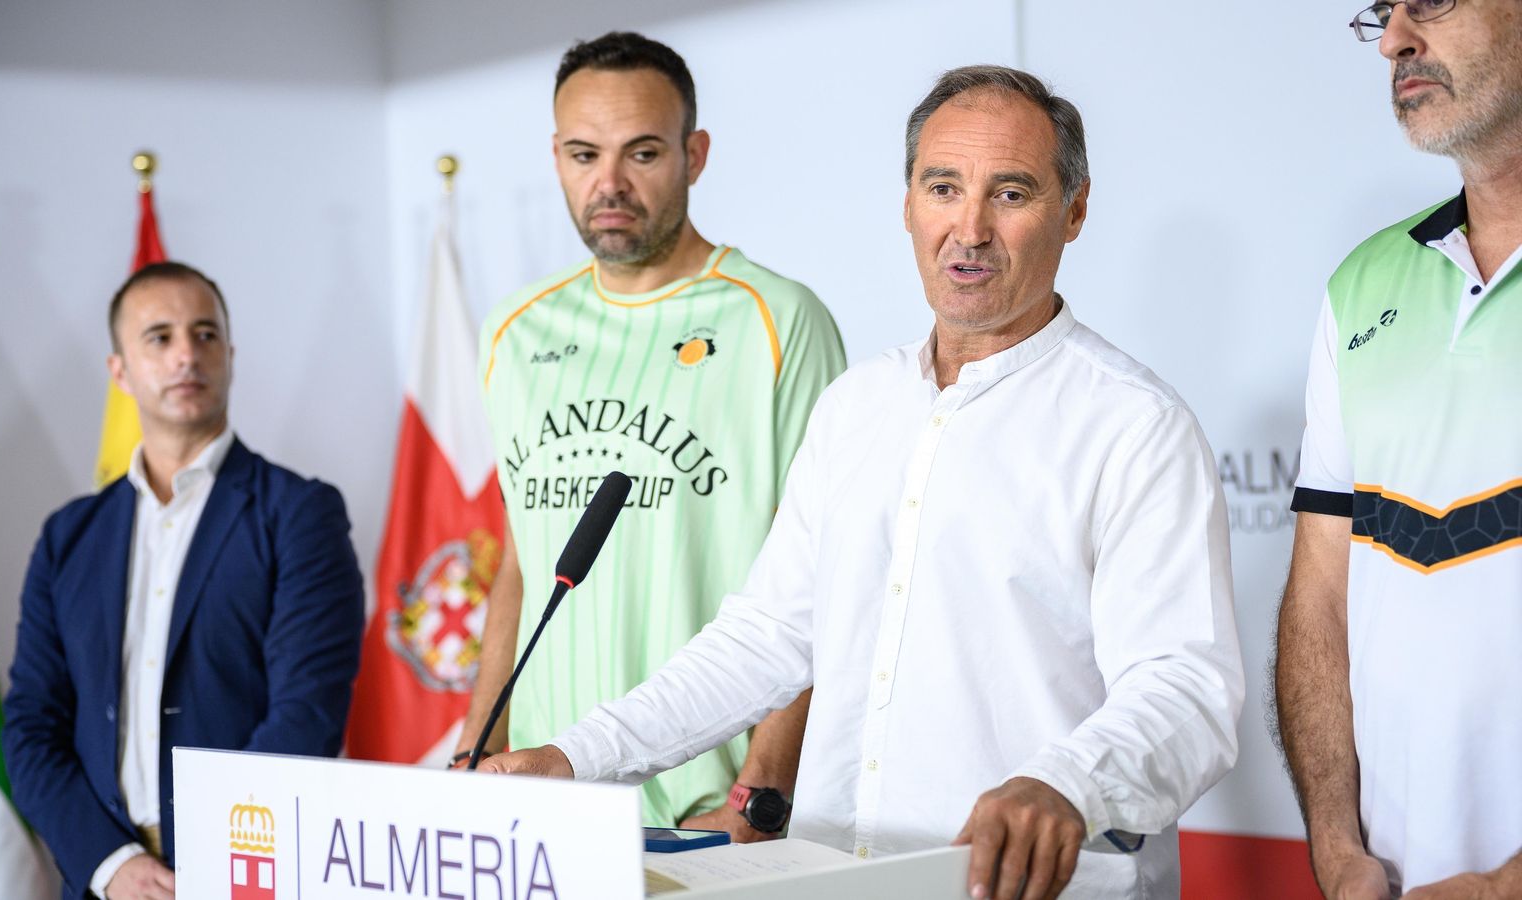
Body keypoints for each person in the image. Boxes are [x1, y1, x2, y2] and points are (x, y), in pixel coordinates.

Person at [481, 65, 1244, 899]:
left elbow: (1188, 692)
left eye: (1012, 193)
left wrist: (1065, 782)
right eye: (943, 187)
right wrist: (576, 756)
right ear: (908, 203)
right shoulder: (858, 408)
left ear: (1076, 210)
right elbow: (764, 638)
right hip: (831, 880)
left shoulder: (1135, 427)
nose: (971, 228)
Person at [455, 31, 846, 842]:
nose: (610, 184)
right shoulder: (513, 332)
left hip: (706, 814)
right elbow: (521, 564)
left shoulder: (780, 320)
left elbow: (826, 582)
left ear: (693, 155)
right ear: (555, 157)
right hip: (540, 793)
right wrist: (476, 745)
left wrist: (760, 795)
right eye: (583, 153)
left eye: (642, 153)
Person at [2, 262, 365, 900]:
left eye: (205, 334)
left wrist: (212, 855)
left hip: (245, 869)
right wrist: (111, 865)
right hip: (101, 878)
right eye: (160, 337)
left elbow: (307, 712)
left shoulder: (300, 514)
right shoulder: (69, 536)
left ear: (229, 353)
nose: (186, 356)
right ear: (119, 370)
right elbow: (32, 724)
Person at [1275, 2, 1522, 896]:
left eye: (1431, 3)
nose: (1393, 41)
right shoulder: (1362, 284)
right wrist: (1337, 851)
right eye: (1382, 13)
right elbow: (1321, 596)